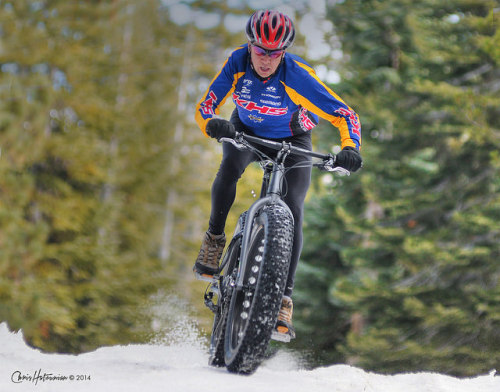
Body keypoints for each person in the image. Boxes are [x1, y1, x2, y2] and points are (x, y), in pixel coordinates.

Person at [193, 9, 362, 339]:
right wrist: (212, 123)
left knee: (294, 208)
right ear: (250, 46)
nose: (266, 60)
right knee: (229, 169)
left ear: (283, 52)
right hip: (245, 131)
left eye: (274, 53)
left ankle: (284, 298)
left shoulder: (297, 75)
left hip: (292, 138)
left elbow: (345, 114)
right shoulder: (237, 62)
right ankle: (214, 239)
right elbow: (206, 105)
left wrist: (350, 148)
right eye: (260, 50)